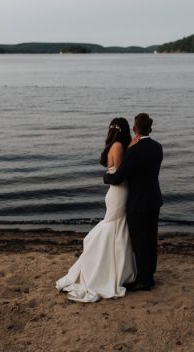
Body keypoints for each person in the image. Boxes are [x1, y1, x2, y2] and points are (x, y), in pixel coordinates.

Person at [55, 117, 136, 302]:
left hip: (116, 192)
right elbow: (123, 174)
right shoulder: (118, 147)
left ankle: (117, 268)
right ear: (124, 131)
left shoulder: (113, 146)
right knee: (114, 226)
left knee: (116, 225)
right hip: (119, 191)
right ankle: (106, 270)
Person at [103, 113, 163, 291]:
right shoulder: (158, 147)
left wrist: (105, 177)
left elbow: (118, 178)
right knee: (151, 238)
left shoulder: (132, 152)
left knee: (139, 241)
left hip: (137, 202)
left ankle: (144, 280)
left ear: (135, 128)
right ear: (150, 129)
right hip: (154, 200)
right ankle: (150, 273)